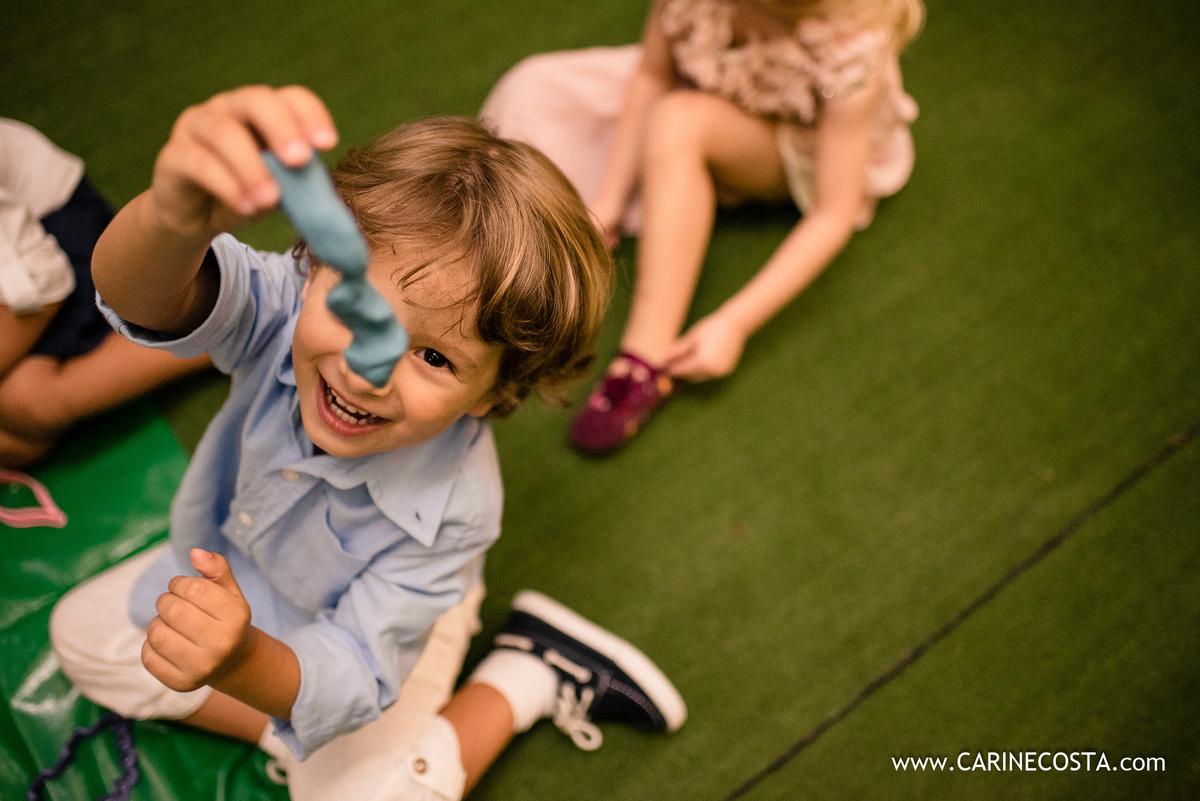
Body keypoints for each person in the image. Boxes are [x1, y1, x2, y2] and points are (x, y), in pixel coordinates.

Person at [48, 85, 685, 800]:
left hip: (386, 629)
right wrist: (173, 216)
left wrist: (243, 659)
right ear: (313, 266)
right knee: (78, 633)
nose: (363, 369)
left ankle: (524, 677)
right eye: (360, 310)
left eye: (436, 358)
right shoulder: (283, 304)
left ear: (493, 396)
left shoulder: (456, 511)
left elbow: (355, 667)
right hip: (241, 580)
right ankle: (301, 744)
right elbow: (144, 300)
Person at [480, 0, 925, 453]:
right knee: (533, 87)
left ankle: (643, 356)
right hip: (712, 85)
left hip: (795, 140)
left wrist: (734, 323)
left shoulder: (850, 48)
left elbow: (833, 214)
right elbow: (652, 76)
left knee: (678, 121)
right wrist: (609, 201)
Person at [0, 119, 211, 467]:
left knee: (27, 402)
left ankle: (220, 331)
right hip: (27, 261)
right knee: (17, 429)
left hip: (54, 234)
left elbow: (45, 283)